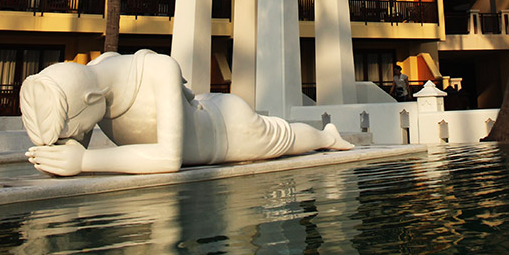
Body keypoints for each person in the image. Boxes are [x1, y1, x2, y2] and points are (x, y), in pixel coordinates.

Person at [20, 50, 352, 177]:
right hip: (198, 109)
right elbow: (74, 143)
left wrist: (83, 161)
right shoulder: (94, 73)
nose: (74, 137)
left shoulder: (158, 68)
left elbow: (169, 160)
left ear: (91, 99)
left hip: (227, 130)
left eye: (72, 130)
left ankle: (327, 136)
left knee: (284, 136)